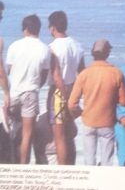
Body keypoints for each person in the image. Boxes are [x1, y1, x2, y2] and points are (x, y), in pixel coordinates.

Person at [6, 14, 57, 164]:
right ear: (38, 29)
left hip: (14, 92)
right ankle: (23, 166)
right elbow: (44, 75)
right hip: (31, 93)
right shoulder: (44, 49)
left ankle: (9, 162)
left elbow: (9, 70)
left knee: (11, 130)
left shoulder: (14, 45)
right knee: (27, 134)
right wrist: (35, 85)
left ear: (25, 29)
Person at [68, 39, 125, 166]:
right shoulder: (116, 73)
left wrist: (82, 112)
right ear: (108, 53)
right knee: (107, 163)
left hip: (89, 122)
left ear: (92, 53)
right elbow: (124, 101)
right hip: (107, 123)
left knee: (89, 162)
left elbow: (72, 103)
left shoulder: (84, 74)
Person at [47, 10, 85, 165]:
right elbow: (82, 74)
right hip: (73, 88)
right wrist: (75, 97)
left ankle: (62, 173)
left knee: (59, 136)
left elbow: (57, 77)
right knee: (70, 134)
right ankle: (72, 166)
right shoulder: (77, 45)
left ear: (52, 27)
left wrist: (66, 97)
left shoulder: (52, 47)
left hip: (58, 93)